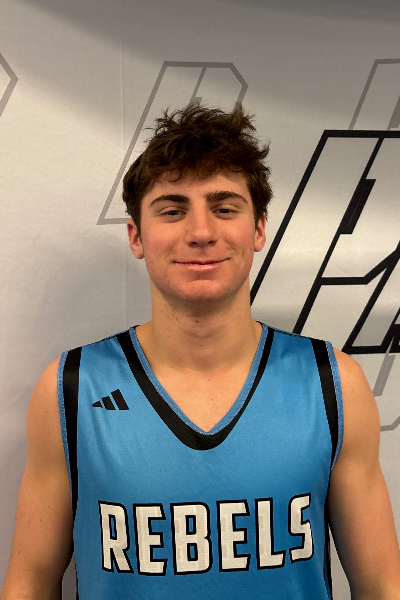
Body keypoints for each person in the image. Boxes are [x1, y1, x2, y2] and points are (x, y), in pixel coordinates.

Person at [1, 103, 400, 600]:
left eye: (225, 208)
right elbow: (31, 582)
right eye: (172, 210)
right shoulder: (72, 388)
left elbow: (381, 583)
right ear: (136, 236)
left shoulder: (331, 383)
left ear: (258, 228)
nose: (201, 232)